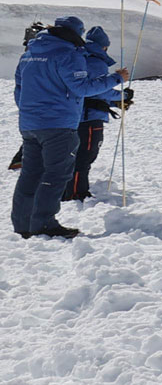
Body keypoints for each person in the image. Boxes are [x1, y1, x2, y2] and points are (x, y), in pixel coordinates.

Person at [14, 15, 126, 239]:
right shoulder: (68, 54)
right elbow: (81, 87)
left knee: (30, 174)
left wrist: (32, 112)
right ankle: (44, 223)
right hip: (58, 124)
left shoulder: (29, 55)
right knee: (56, 174)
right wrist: (115, 79)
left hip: (29, 124)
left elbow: (19, 89)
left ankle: (23, 224)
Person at [68, 25, 122, 202]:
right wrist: (122, 95)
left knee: (74, 154)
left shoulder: (79, 58)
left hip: (75, 115)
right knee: (86, 155)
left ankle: (69, 190)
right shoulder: (96, 62)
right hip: (90, 117)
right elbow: (98, 89)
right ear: (103, 46)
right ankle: (76, 193)